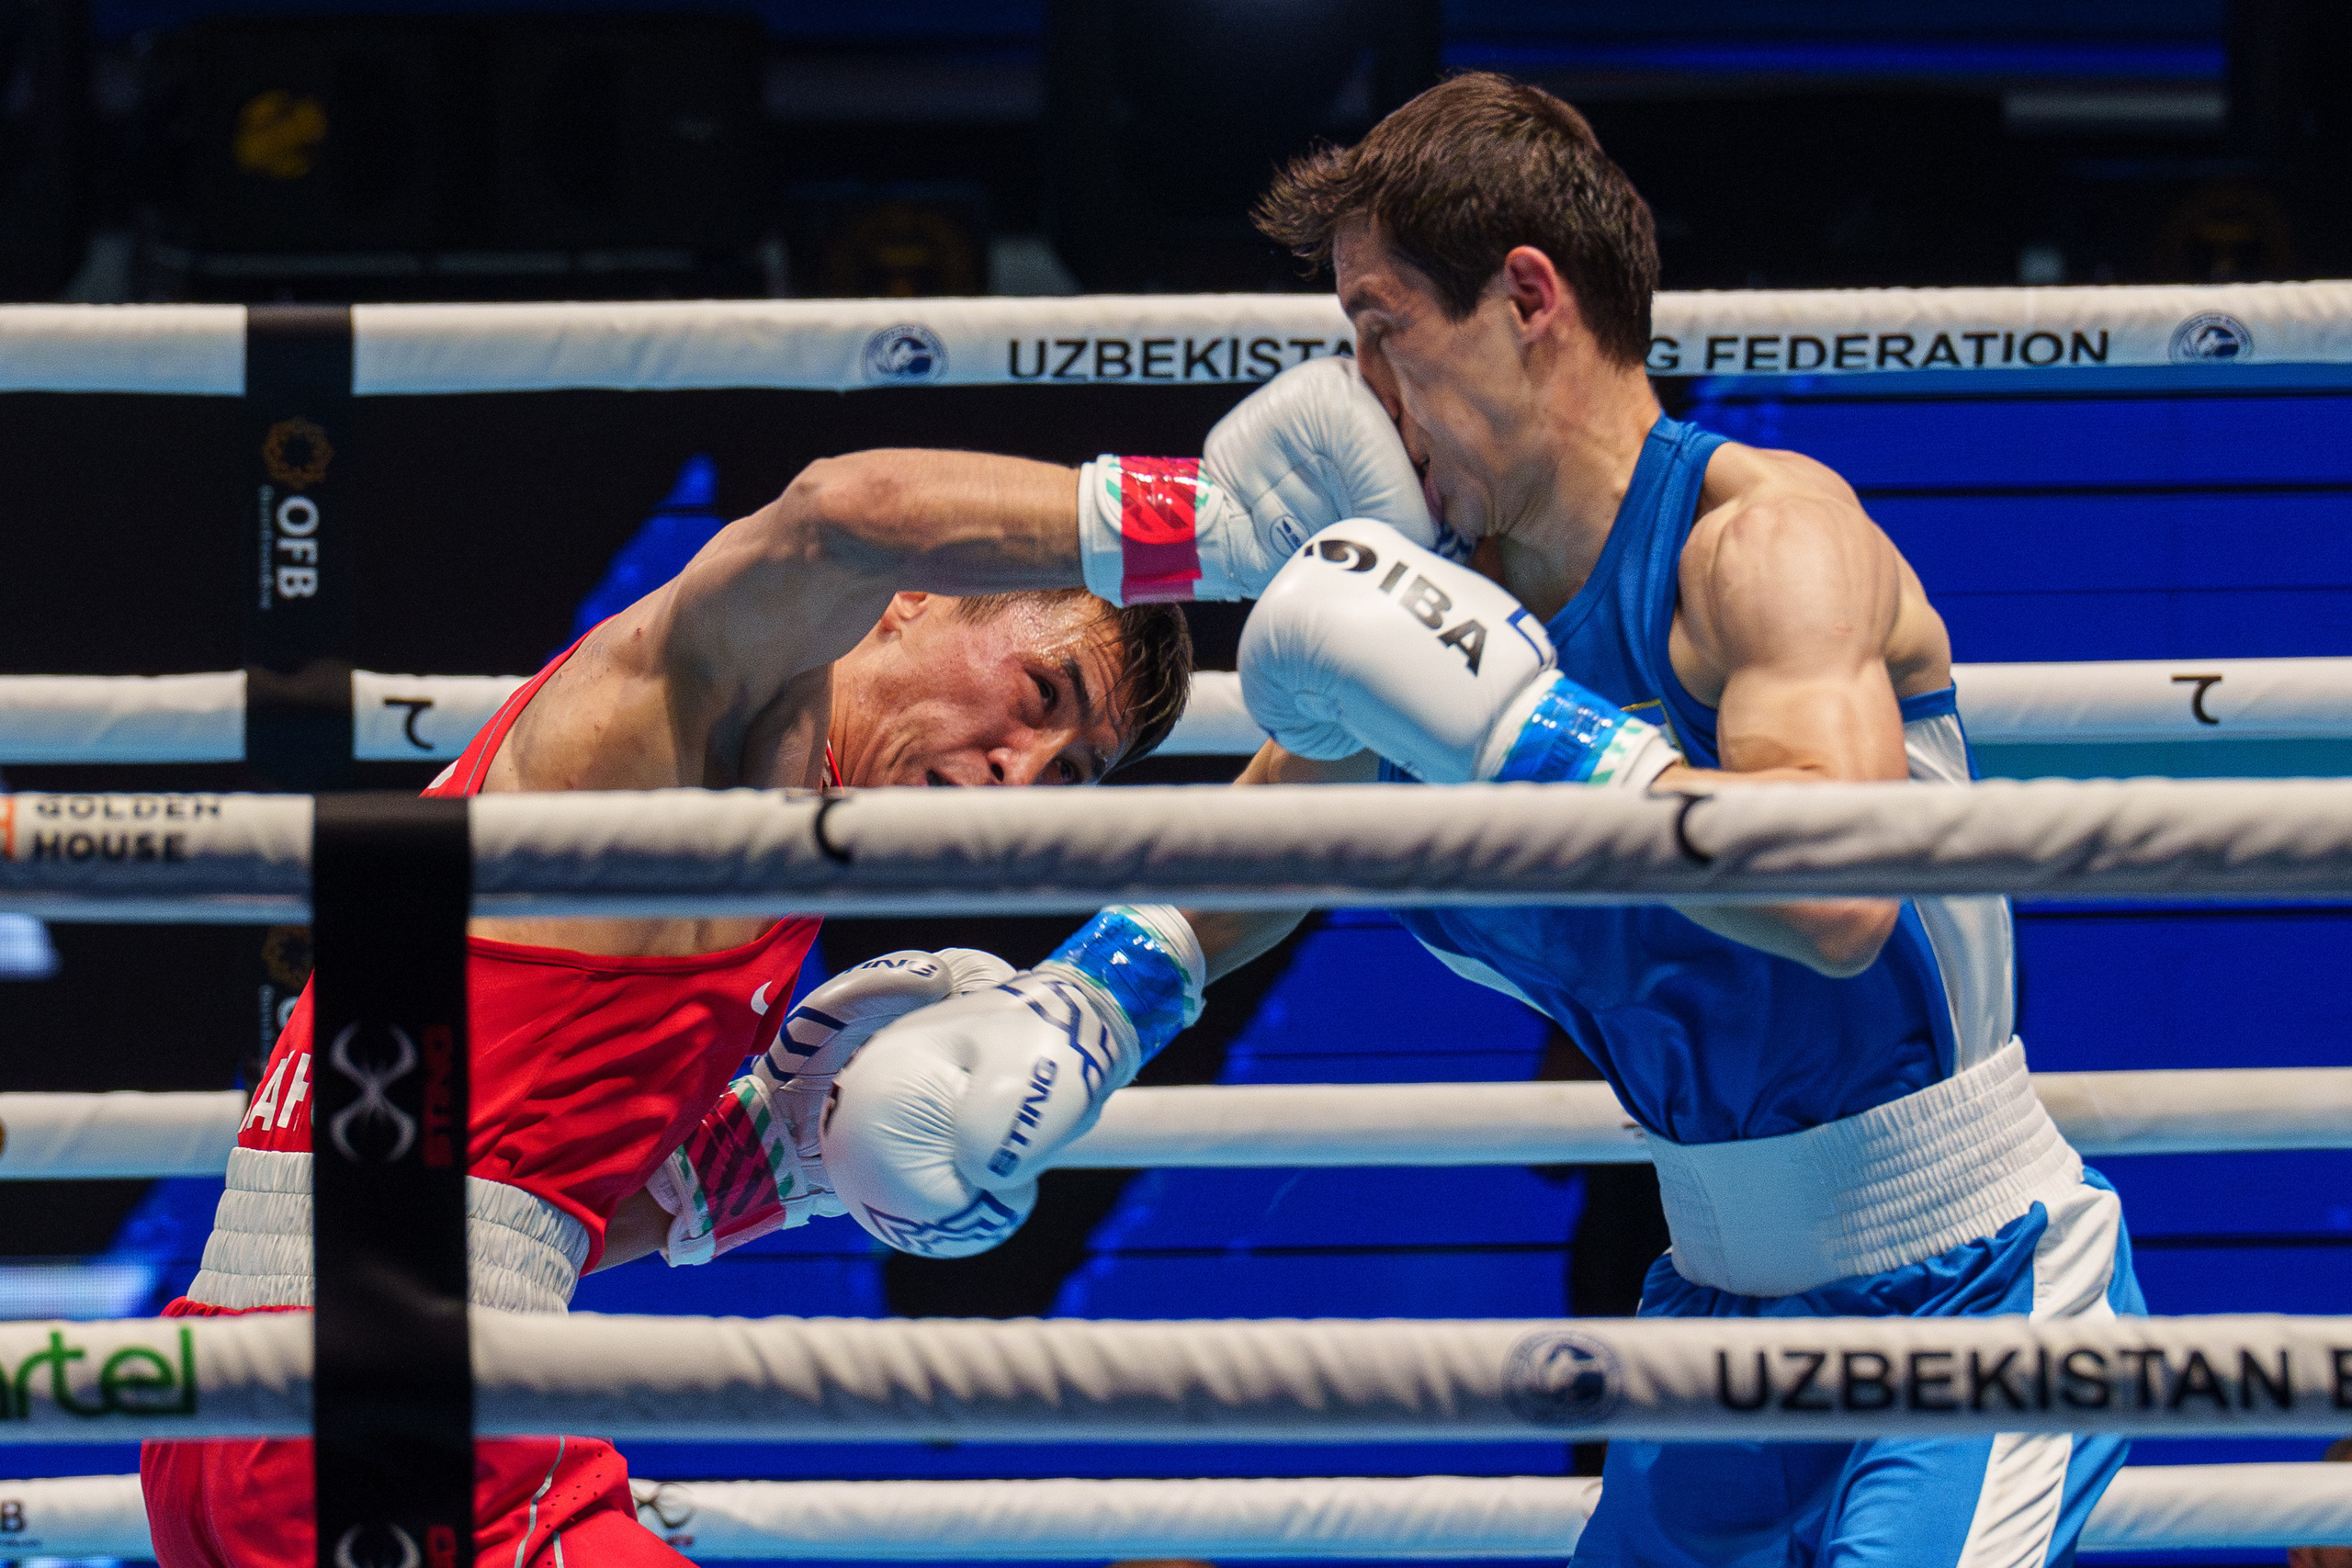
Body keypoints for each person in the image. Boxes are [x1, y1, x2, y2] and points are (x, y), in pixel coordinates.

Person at [818, 73, 2145, 1568]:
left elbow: (1838, 902)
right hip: (1718, 1318)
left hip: (1961, 1295)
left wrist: (1528, 732)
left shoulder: (1761, 545)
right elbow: (1273, 842)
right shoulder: (1436, 599)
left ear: (1527, 295)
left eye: (1383, 330)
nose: (1362, 392)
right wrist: (1087, 998)